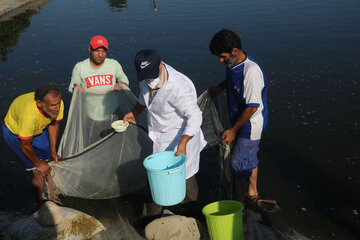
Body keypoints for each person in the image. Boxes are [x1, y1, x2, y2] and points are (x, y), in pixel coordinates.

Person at [124, 49, 206, 217]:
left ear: (161, 65)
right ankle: (150, 217)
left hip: (181, 138)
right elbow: (143, 97)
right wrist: (134, 113)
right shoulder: (145, 77)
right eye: (145, 76)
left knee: (185, 181)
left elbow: (196, 116)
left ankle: (193, 218)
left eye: (152, 75)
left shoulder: (178, 87)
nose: (149, 80)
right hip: (160, 136)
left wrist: (183, 142)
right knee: (155, 180)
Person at [208, 29, 270, 207]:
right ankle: (253, 193)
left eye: (222, 56)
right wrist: (220, 87)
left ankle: (240, 204)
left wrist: (233, 130)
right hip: (240, 120)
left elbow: (252, 107)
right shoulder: (233, 65)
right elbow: (231, 80)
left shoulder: (251, 72)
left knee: (237, 164)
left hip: (251, 125)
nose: (220, 60)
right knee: (248, 157)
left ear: (234, 51)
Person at [2, 82, 64, 209]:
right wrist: (38, 163)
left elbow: (54, 124)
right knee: (39, 172)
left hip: (37, 130)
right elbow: (25, 145)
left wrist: (53, 151)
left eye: (58, 103)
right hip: (15, 134)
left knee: (50, 161)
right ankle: (39, 204)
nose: (58, 108)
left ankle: (50, 192)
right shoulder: (29, 116)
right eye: (53, 105)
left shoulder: (57, 104)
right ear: (40, 104)